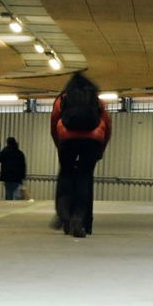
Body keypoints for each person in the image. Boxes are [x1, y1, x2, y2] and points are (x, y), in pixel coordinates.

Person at [51, 72, 111, 238]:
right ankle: (79, 219)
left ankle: (65, 217)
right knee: (85, 177)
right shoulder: (97, 100)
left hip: (66, 139)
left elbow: (54, 123)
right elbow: (107, 125)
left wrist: (59, 145)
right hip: (92, 140)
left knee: (66, 175)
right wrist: (101, 149)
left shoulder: (62, 99)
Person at [0, 136, 27, 201]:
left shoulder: (5, 152)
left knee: (8, 194)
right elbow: (23, 166)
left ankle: (8, 207)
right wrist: (23, 176)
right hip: (17, 177)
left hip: (7, 176)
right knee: (16, 194)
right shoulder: (20, 153)